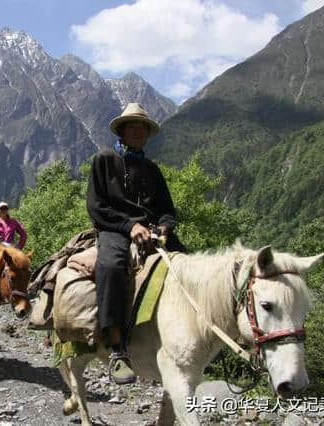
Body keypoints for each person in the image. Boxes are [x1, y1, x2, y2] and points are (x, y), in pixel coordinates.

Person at [87, 103, 186, 384]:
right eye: (132, 126)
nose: (138, 131)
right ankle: (116, 347)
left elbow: (168, 210)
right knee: (111, 266)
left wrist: (165, 227)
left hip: (153, 231)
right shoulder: (104, 160)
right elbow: (96, 206)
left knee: (189, 267)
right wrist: (130, 226)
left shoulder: (152, 169)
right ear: (121, 130)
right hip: (114, 228)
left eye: (142, 127)